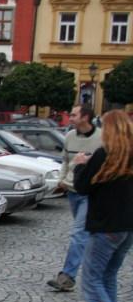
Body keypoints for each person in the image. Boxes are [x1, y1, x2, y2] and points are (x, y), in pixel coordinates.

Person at [72, 110, 133, 302]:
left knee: (92, 281)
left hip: (106, 226)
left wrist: (79, 167)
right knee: (107, 278)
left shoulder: (103, 154)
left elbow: (82, 187)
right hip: (127, 227)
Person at [46, 105, 103, 292]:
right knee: (88, 234)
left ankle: (67, 276)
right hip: (72, 191)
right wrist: (61, 180)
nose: (69, 117)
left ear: (85, 117)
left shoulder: (101, 138)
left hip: (90, 193)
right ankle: (96, 268)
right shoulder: (70, 136)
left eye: (73, 114)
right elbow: (65, 161)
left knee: (79, 234)